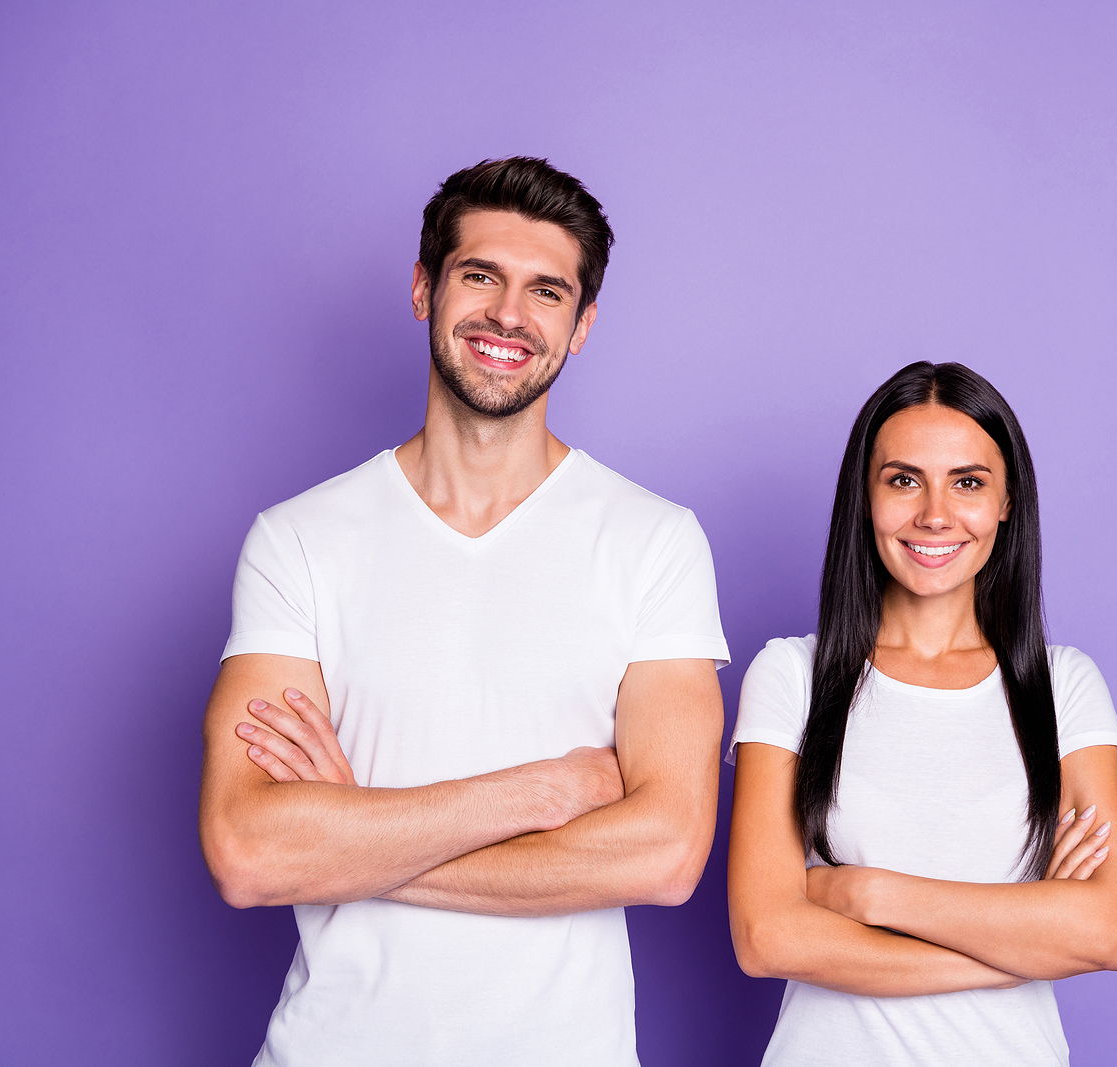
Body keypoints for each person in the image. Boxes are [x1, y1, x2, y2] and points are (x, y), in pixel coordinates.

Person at [198, 157, 730, 1066]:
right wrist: (545, 792)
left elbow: (666, 854)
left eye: (546, 291)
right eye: (479, 275)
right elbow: (249, 850)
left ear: (582, 325)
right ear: (423, 288)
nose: (508, 316)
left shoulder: (654, 541)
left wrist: (354, 834)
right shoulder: (298, 540)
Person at [727, 361, 1117, 1065]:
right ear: (865, 495)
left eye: (968, 482)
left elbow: (1105, 930)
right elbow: (767, 937)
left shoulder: (1060, 687)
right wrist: (1021, 949)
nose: (935, 514)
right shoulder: (793, 675)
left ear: (1007, 502)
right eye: (903, 479)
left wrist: (863, 890)